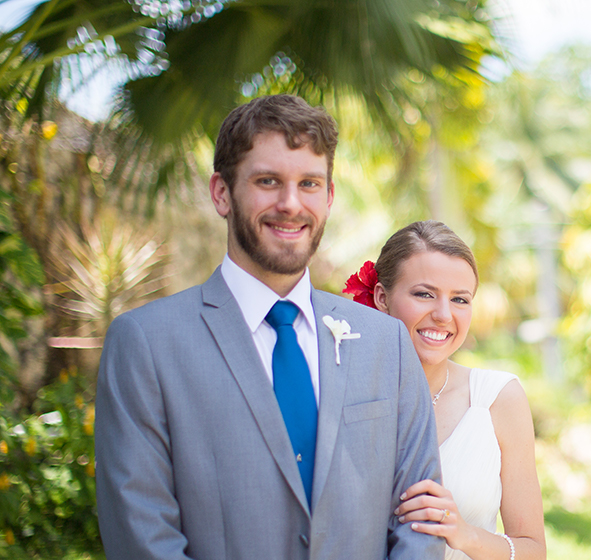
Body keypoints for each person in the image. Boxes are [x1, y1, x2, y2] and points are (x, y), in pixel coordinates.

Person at [94, 95, 444, 560]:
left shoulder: (386, 341)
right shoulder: (146, 345)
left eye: (309, 183)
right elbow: (141, 534)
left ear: (330, 196)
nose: (290, 204)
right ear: (222, 192)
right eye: (267, 181)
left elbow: (422, 521)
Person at [344, 220, 547, 560]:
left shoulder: (498, 399)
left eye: (460, 299)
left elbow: (533, 550)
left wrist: (466, 536)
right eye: (424, 294)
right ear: (381, 297)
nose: (443, 315)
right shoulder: (342, 393)